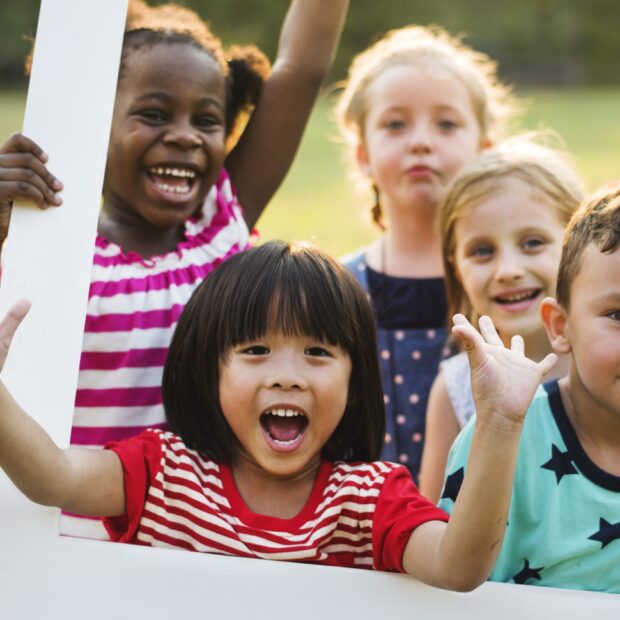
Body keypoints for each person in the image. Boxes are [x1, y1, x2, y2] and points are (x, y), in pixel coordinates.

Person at [0, 240, 557, 588]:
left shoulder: (366, 501)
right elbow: (52, 475)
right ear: (208, 370)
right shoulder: (162, 473)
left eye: (317, 353)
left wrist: (501, 425)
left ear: (356, 384)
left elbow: (460, 567)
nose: (288, 375)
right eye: (256, 351)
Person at [0, 0, 349, 538]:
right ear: (97, 123)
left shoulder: (220, 230)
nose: (185, 135)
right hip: (56, 532)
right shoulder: (46, 248)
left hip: (195, 537)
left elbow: (300, 70)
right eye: (154, 114)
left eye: (206, 120)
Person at [336, 25, 518, 480]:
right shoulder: (337, 285)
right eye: (395, 124)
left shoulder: (513, 283)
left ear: (485, 148)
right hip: (357, 530)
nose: (420, 141)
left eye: (446, 123)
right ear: (362, 154)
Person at [439, 185, 620, 593]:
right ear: (561, 326)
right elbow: (449, 581)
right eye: (618, 314)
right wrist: (499, 428)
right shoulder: (506, 436)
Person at [419, 137, 585, 503]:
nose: (508, 270)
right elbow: (431, 522)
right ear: (456, 268)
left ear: (576, 248)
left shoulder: (606, 363)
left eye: (532, 243)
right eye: (482, 251)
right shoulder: (456, 387)